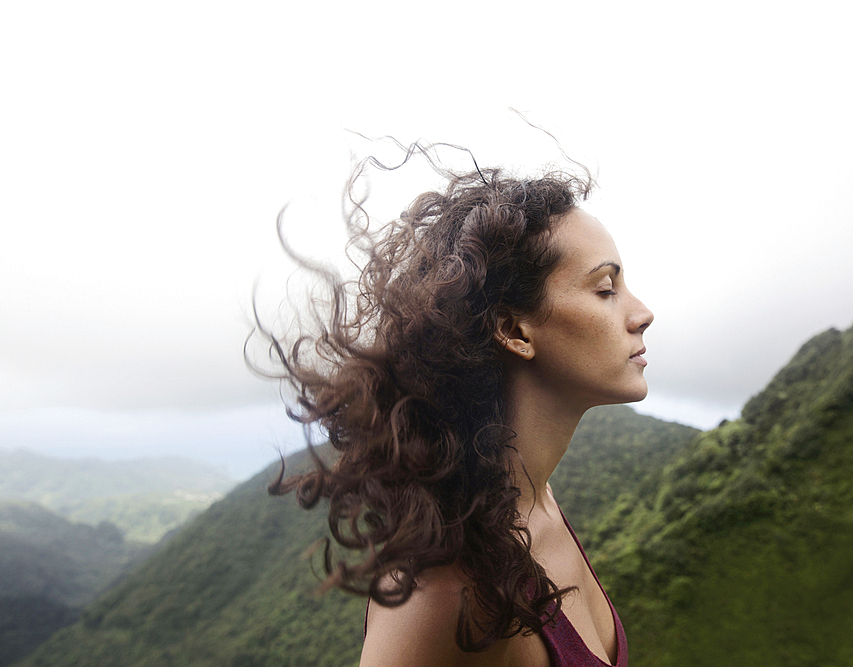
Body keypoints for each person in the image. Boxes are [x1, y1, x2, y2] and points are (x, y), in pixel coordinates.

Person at [266, 144, 653, 666]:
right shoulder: (442, 588)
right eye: (606, 288)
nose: (643, 313)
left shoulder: (534, 499)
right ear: (514, 329)